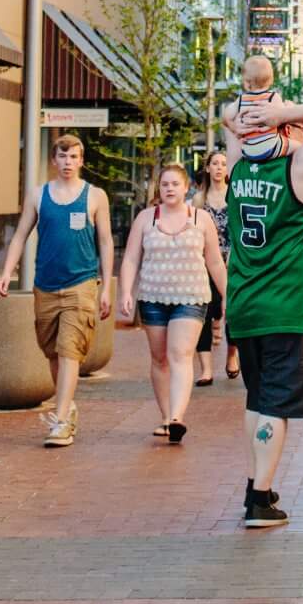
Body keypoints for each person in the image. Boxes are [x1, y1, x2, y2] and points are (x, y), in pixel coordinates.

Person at [221, 89, 303, 530]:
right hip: (285, 306)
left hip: (243, 304)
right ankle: (260, 498)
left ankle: (256, 480)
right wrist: (286, 113)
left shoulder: (238, 163)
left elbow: (227, 116)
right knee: (275, 405)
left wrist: (257, 119)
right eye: (297, 127)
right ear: (283, 129)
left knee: (258, 400)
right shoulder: (298, 167)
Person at [0, 133, 114, 448]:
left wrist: (106, 287)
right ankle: (68, 405)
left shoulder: (95, 196)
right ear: (53, 160)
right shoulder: (38, 195)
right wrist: (8, 271)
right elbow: (20, 235)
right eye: (62, 157)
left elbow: (105, 241)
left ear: (81, 160)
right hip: (45, 285)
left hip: (82, 284)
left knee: (69, 349)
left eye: (74, 157)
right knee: (52, 353)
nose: (68, 163)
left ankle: (60, 421)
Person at [118, 162, 229, 446]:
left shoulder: (201, 219)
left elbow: (214, 261)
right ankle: (165, 417)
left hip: (191, 297)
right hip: (153, 296)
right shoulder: (146, 218)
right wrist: (126, 292)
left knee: (180, 354)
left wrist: (228, 294)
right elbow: (131, 258)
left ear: (186, 188)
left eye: (175, 184)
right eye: (164, 184)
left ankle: (178, 418)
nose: (169, 189)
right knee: (159, 358)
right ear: (159, 188)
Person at [195, 148, 235, 385]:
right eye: (215, 164)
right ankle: (206, 369)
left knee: (232, 312)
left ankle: (232, 355)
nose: (219, 168)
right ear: (208, 168)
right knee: (204, 313)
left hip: (232, 261)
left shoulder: (235, 196)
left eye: (223, 164)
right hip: (204, 262)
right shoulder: (198, 200)